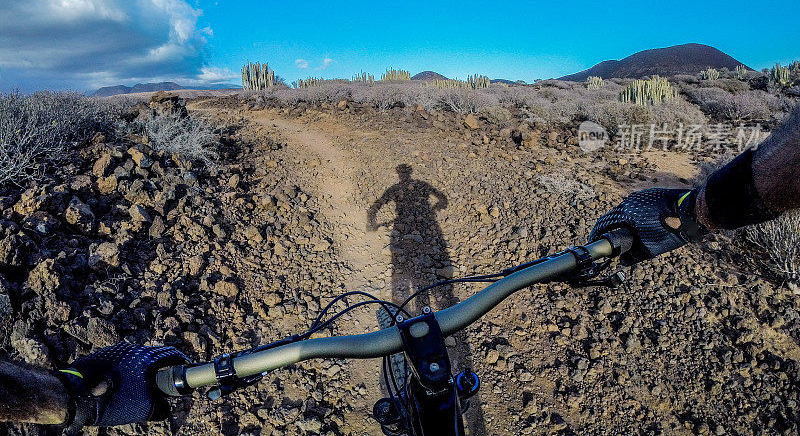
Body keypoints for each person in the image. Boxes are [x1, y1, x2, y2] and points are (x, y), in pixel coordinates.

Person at [1, 104, 798, 431]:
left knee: (411, 316)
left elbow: (422, 197)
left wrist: (63, 396)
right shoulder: (404, 190)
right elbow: (397, 204)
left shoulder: (419, 186)